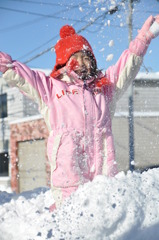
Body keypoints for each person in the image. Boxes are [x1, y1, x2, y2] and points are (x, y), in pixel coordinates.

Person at [0, 15, 159, 211]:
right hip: (68, 179)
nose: (83, 63)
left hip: (103, 177)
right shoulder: (51, 89)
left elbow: (127, 66)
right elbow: (25, 77)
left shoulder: (105, 88)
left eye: (87, 58)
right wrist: (7, 65)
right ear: (64, 62)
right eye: (76, 58)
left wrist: (145, 38)